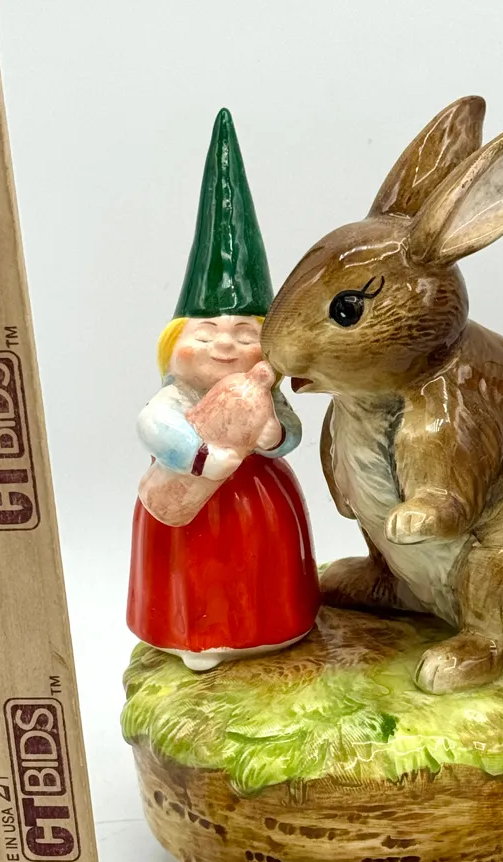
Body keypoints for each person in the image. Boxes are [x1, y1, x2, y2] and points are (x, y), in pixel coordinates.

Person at [127, 109, 319, 671]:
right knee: (196, 569)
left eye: (245, 334)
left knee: (261, 562)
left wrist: (272, 432)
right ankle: (197, 637)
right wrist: (201, 456)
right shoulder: (176, 398)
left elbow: (289, 435)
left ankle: (277, 624)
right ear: (175, 344)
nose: (225, 345)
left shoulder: (264, 391)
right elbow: (153, 426)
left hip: (256, 495)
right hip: (187, 493)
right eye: (206, 332)